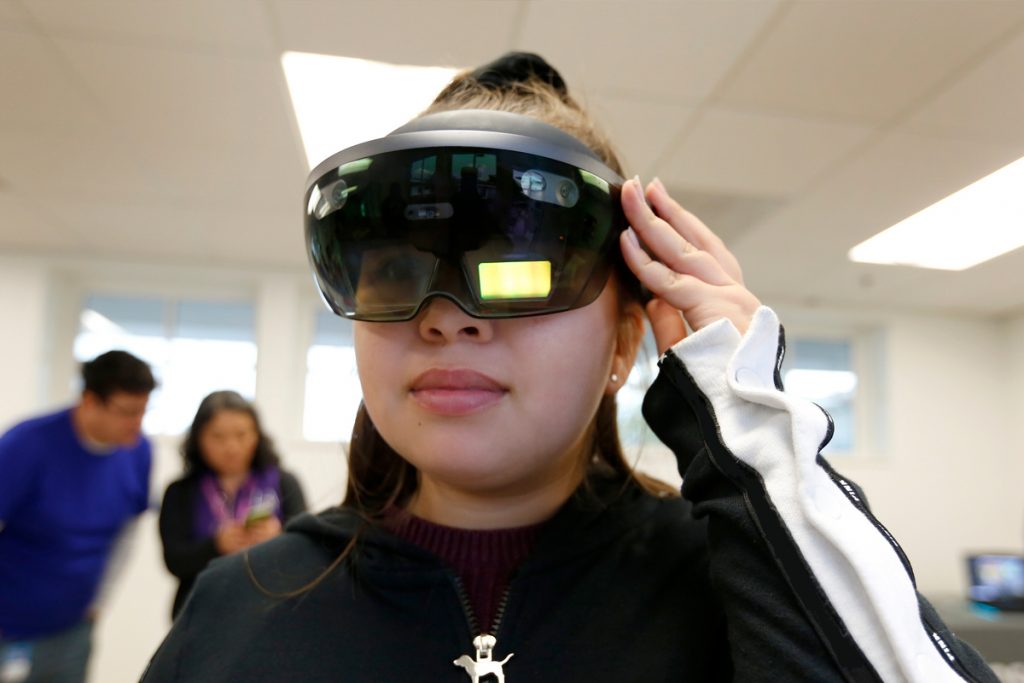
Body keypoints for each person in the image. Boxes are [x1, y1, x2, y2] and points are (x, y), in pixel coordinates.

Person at [141, 53, 999, 682]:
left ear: (626, 341)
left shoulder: (734, 583)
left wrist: (752, 423)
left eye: (519, 274)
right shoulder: (239, 603)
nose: (448, 317)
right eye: (399, 271)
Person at [0, 350, 155, 683]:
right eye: (126, 412)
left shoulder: (138, 451)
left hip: (73, 628)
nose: (136, 424)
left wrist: (99, 602)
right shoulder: (27, 444)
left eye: (143, 411)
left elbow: (128, 531)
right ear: (88, 400)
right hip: (8, 628)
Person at [158, 390, 307, 619]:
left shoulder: (284, 482)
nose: (232, 447)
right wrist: (216, 546)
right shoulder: (180, 492)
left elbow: (307, 549)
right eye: (218, 437)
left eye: (241, 435)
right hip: (200, 614)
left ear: (257, 435)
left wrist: (280, 537)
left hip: (269, 613)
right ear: (198, 439)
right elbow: (175, 561)